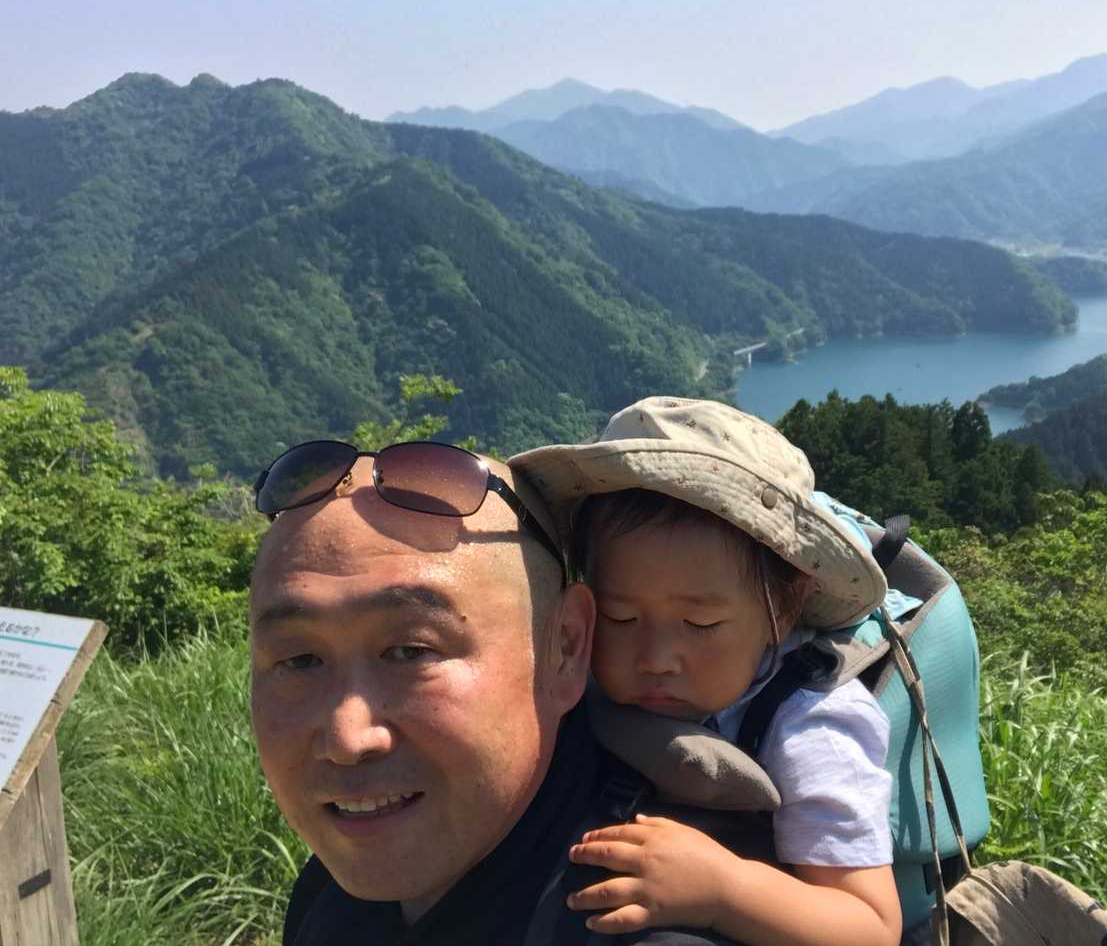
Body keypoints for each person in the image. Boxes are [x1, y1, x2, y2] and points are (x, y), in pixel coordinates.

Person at [248, 438, 746, 944]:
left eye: (411, 651)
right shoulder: (332, 891)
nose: (348, 740)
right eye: (299, 660)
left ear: (565, 647)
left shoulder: (646, 921)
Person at [510, 398, 903, 946]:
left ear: (783, 607)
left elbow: (872, 926)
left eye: (700, 623)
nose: (655, 658)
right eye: (620, 616)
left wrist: (723, 889)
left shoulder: (811, 727)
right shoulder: (580, 654)